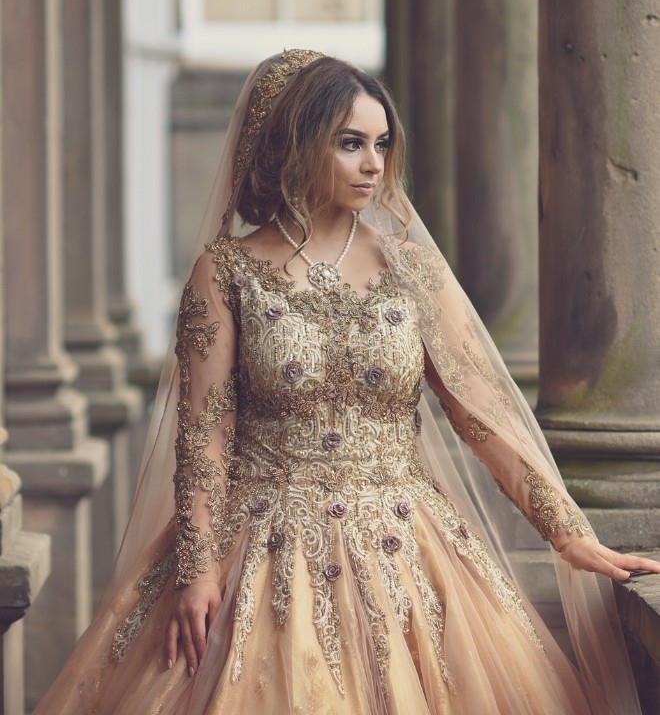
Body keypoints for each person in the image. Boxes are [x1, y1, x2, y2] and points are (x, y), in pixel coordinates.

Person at [34, 50, 660, 715]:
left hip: (406, 542)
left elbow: (481, 411)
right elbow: (204, 440)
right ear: (300, 147)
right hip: (261, 546)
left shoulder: (412, 269)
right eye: (351, 144)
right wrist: (196, 570)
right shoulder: (226, 273)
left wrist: (567, 531)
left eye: (382, 144)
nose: (374, 165)